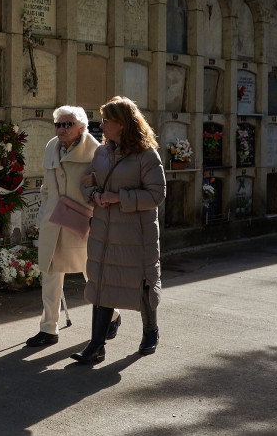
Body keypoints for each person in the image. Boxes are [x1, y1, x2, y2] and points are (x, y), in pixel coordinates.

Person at [71, 96, 166, 364]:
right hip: (104, 232)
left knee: (143, 283)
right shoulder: (101, 152)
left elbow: (157, 194)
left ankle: (150, 332)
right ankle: (96, 345)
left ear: (122, 124)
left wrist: (119, 197)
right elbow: (87, 181)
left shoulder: (147, 155)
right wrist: (95, 194)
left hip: (136, 235)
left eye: (105, 120)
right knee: (102, 282)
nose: (100, 125)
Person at [25, 106, 101, 347]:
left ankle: (112, 317)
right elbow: (46, 188)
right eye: (58, 124)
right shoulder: (51, 146)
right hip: (53, 221)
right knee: (49, 275)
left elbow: (100, 188)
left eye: (67, 124)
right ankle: (48, 329)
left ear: (81, 127)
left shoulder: (95, 152)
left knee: (92, 273)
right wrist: (42, 216)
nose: (61, 129)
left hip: (81, 222)